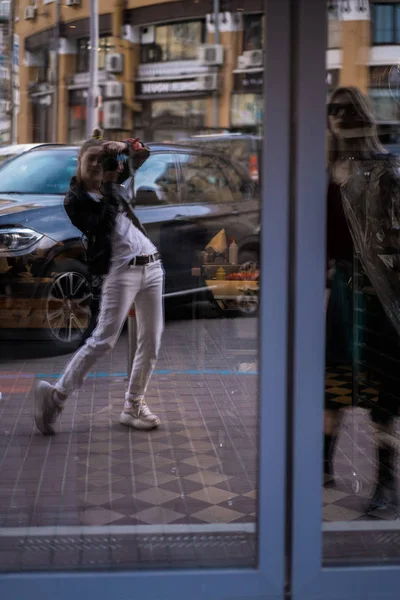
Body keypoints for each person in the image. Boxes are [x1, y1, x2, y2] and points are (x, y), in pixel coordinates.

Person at [34, 129, 164, 434]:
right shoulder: (75, 199)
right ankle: (56, 396)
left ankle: (134, 405)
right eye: (90, 160)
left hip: (152, 266)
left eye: (100, 160)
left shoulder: (112, 182)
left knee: (152, 341)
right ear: (78, 163)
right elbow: (100, 224)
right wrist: (108, 184)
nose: (96, 165)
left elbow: (142, 152)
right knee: (103, 339)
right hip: (121, 271)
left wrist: (123, 146)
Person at [325, 86, 400, 512]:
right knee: (333, 380)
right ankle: (321, 466)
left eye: (345, 108)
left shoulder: (383, 169)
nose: (336, 115)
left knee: (382, 390)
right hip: (343, 288)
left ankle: (385, 483)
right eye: (331, 109)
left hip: (377, 291)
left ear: (362, 115)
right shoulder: (326, 170)